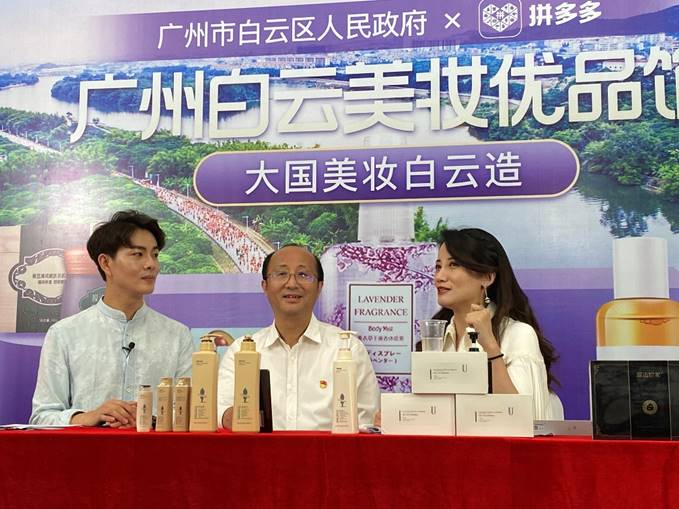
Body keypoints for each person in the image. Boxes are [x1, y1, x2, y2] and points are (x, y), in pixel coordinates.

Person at [30, 210, 193, 427]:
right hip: (88, 449)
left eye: (155, 255)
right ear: (106, 263)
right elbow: (42, 417)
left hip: (155, 448)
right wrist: (88, 417)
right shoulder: (65, 333)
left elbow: (192, 414)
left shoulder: (177, 335)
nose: (151, 264)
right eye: (138, 254)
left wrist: (150, 420)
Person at [218, 244, 380, 430]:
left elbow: (366, 422)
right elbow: (219, 409)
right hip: (260, 449)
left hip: (329, 450)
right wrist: (233, 416)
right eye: (281, 274)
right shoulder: (241, 351)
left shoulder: (348, 348)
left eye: (303, 275)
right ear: (265, 286)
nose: (292, 284)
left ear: (319, 287)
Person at [432, 228, 559, 420]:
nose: (439, 277)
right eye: (438, 266)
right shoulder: (436, 339)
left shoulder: (518, 335)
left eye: (453, 265)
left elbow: (525, 420)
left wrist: (490, 346)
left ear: (487, 277)